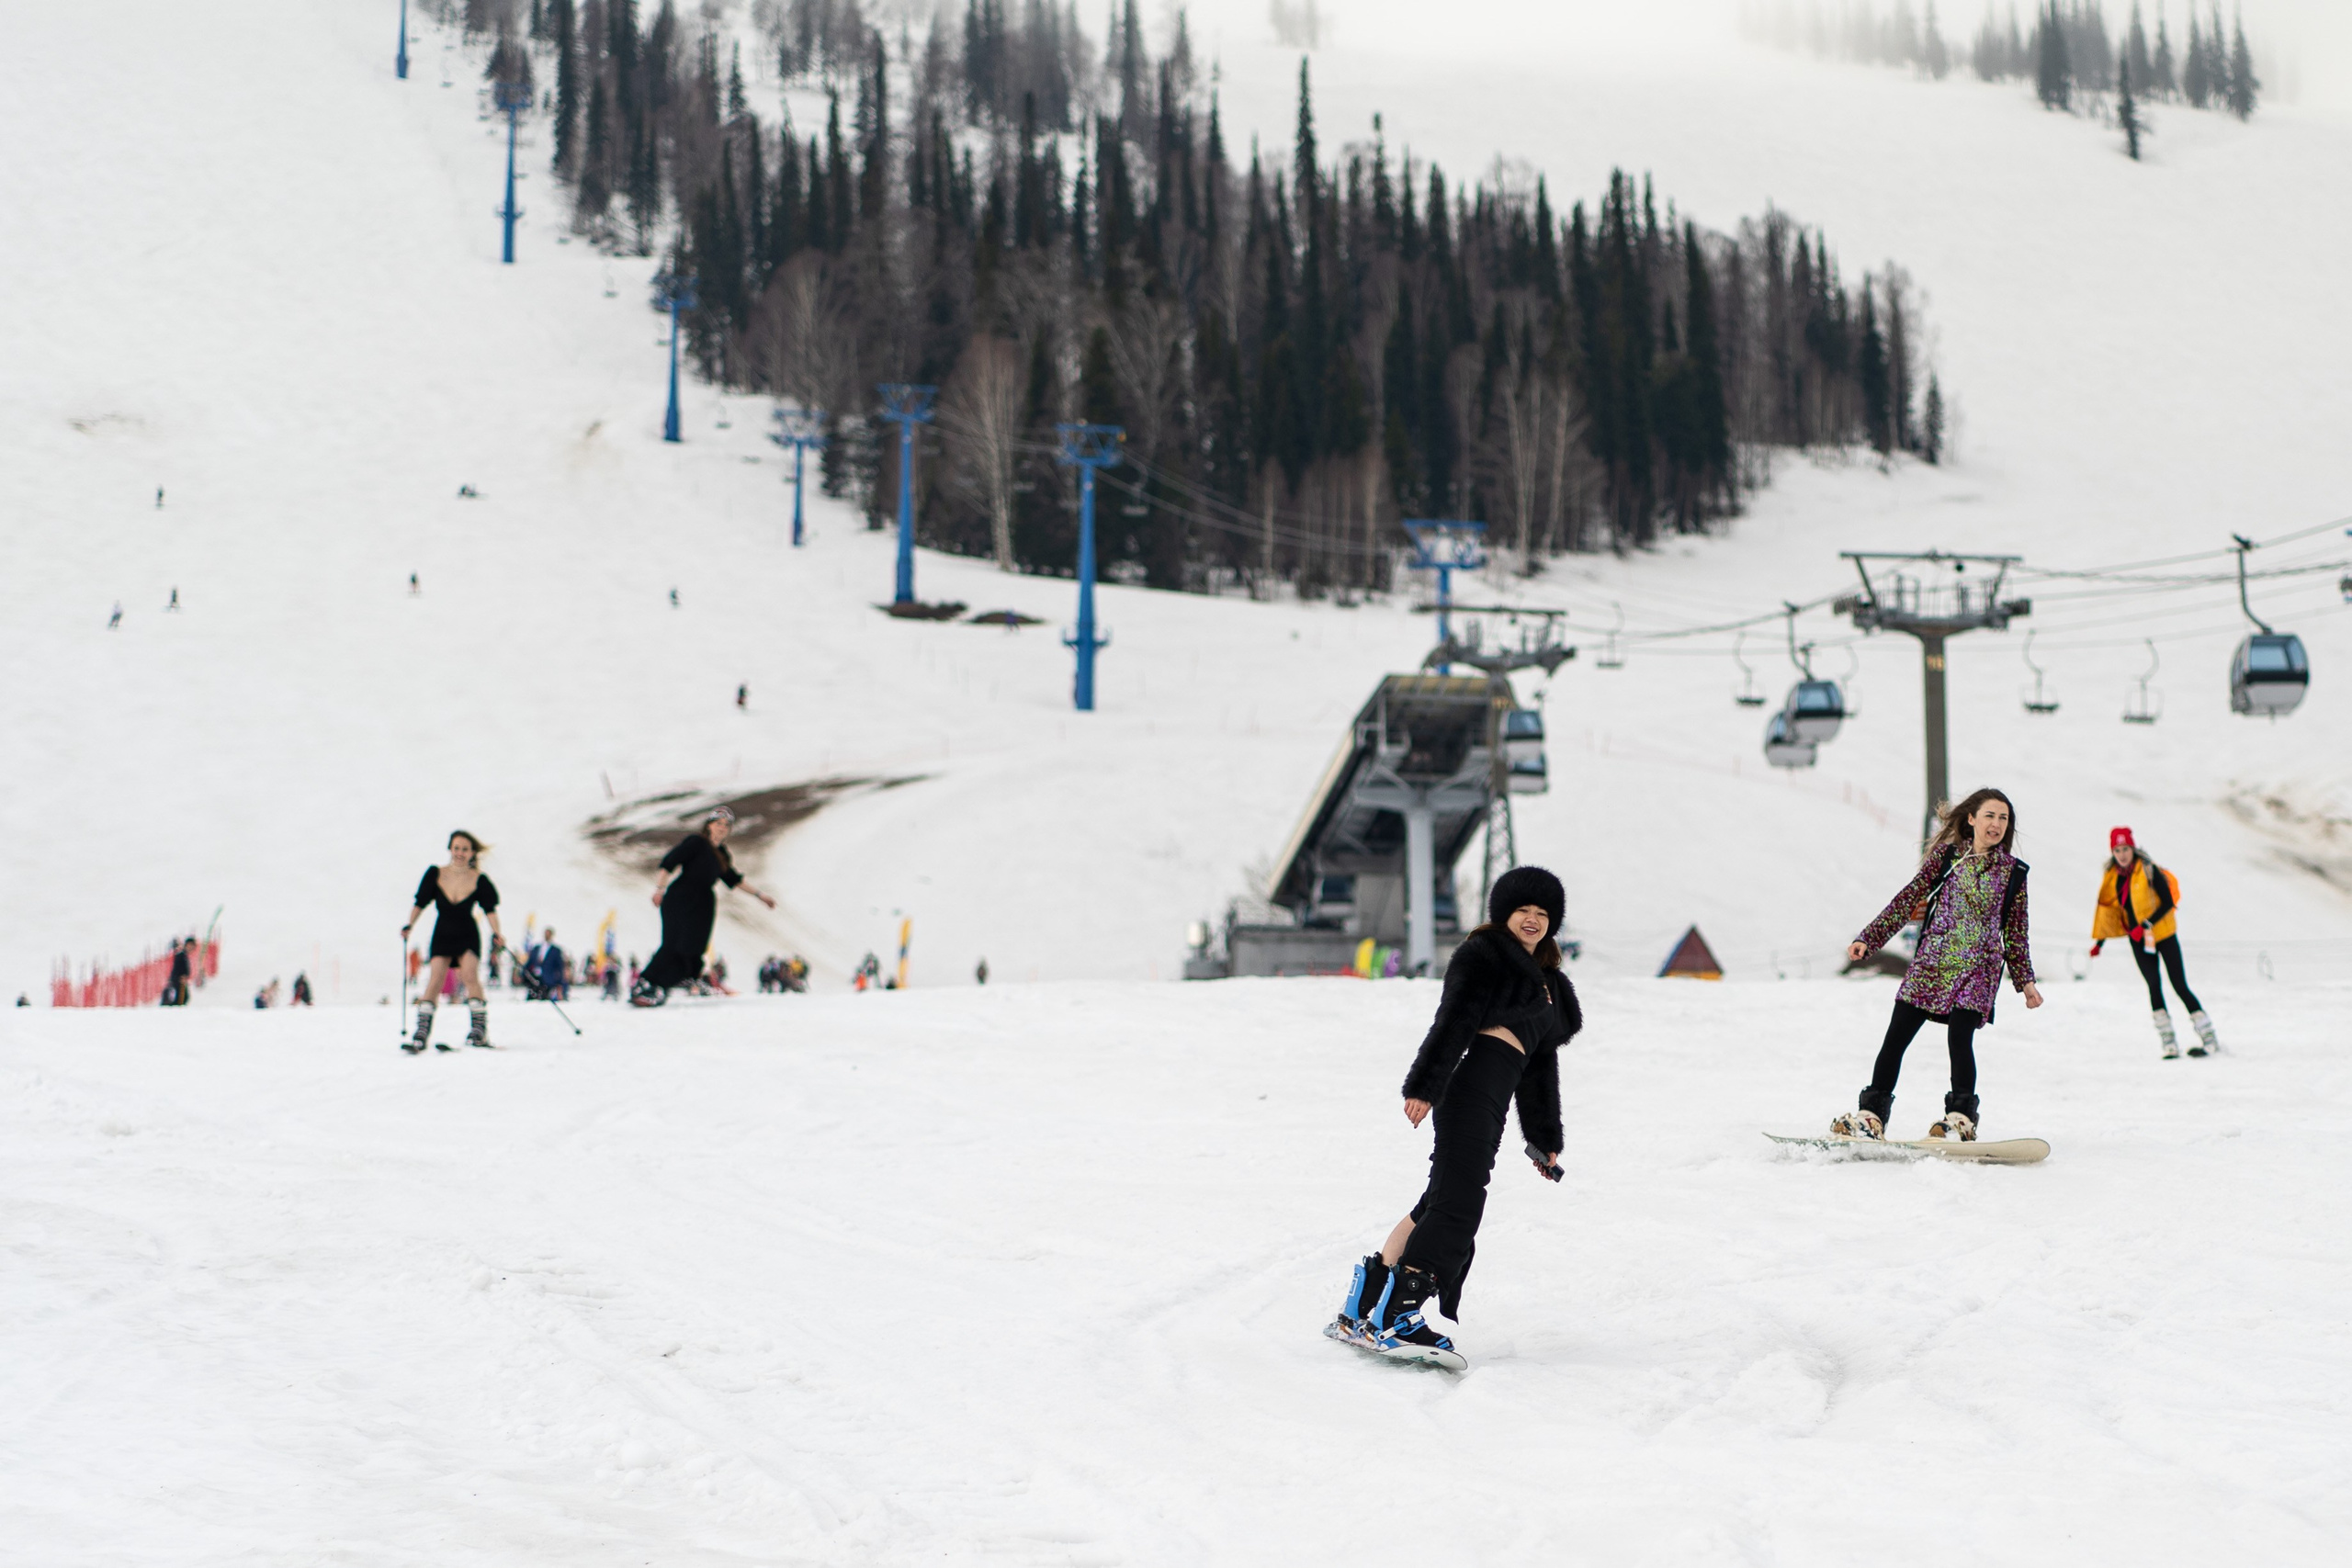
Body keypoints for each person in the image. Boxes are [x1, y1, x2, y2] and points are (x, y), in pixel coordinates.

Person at [1328, 867, 1581, 1368]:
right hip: (1468, 1089)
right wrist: (1425, 1085)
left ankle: (1363, 1306)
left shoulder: (1550, 982)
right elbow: (1454, 1021)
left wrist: (1543, 1137)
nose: (1532, 919)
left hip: (1495, 1097)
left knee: (1438, 1201)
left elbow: (1540, 1069)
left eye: (1542, 913)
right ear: (1503, 915)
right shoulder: (1485, 956)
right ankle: (1399, 1314)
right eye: (1522, 910)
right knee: (1461, 1203)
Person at [1838, 789, 2043, 1142]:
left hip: (1978, 968)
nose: (1996, 824)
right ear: (1972, 819)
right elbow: (1908, 898)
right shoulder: (1947, 858)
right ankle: (1871, 1117)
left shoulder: (2013, 874)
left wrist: (2025, 982)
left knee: (1959, 1037)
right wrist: (1870, 938)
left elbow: (2015, 932)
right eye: (1990, 816)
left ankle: (1960, 1120)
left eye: (2003, 818)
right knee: (1896, 1037)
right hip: (1933, 961)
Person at [2093, 827, 2219, 1058]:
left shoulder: (2148, 869)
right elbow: (2109, 911)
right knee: (2153, 985)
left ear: (2133, 848)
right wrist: (2099, 943)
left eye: (2125, 849)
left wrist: (2147, 924)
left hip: (2164, 935)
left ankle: (2208, 1037)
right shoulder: (2112, 877)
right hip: (2138, 940)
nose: (2122, 854)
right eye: (2117, 850)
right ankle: (2168, 1043)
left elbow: (2168, 902)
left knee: (2179, 984)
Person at [631, 807, 775, 1005]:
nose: (722, 828)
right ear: (709, 825)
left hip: (703, 903)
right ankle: (646, 983)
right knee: (673, 944)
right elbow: (669, 863)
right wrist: (659, 889)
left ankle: (666, 985)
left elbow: (734, 880)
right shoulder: (696, 843)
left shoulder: (722, 854)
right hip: (681, 896)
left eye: (726, 825)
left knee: (693, 949)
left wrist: (760, 895)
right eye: (718, 823)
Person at [401, 830, 505, 1052]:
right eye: (456, 848)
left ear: (472, 853)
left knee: (470, 976)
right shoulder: (436, 874)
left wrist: (497, 933)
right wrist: (409, 925)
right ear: (450, 849)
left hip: (467, 934)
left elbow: (490, 910)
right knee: (435, 980)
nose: (460, 853)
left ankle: (478, 1031)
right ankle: (421, 1033)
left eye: (465, 849)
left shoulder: (478, 879)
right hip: (443, 934)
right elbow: (420, 902)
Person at [536, 930, 569, 1000]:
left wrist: (560, 979)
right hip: (536, 979)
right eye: (546, 934)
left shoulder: (556, 950)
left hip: (549, 980)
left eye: (548, 934)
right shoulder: (537, 948)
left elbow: (559, 966)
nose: (547, 936)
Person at [163, 939, 194, 1006]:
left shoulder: (184, 956)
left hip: (180, 981)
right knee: (180, 999)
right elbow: (177, 968)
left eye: (192, 946)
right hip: (178, 981)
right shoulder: (181, 955)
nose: (191, 948)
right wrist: (181, 977)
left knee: (184, 998)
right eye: (190, 945)